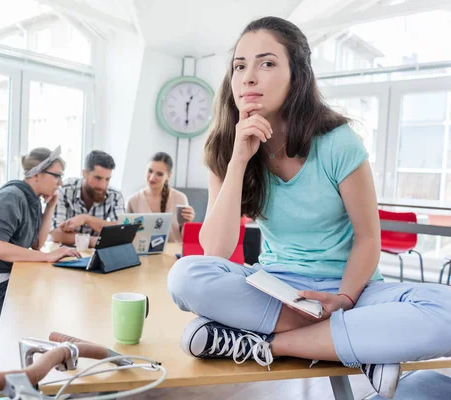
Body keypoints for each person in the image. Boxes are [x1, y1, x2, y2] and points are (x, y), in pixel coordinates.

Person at [167, 16, 451, 399]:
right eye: (239, 65)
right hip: (278, 289)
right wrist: (237, 161)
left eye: (266, 63)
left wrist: (345, 299)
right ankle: (360, 343)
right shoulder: (224, 149)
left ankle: (268, 344)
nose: (248, 77)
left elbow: (368, 238)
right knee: (184, 276)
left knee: (446, 309)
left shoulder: (337, 143)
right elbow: (215, 250)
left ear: (296, 75)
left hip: (353, 291)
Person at [0, 147, 80, 320]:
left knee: (55, 295)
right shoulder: (11, 197)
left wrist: (50, 206)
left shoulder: (30, 199)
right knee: (50, 307)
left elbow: (37, 244)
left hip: (5, 280)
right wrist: (48, 256)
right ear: (36, 174)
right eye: (57, 175)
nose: (60, 183)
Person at [51, 150, 125, 247]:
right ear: (85, 173)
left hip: (96, 255)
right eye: (98, 178)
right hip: (64, 254)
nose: (102, 186)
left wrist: (86, 219)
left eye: (107, 179)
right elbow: (55, 234)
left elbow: (121, 231)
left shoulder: (115, 196)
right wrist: (91, 240)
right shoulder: (64, 190)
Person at [126, 152, 195, 242]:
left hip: (174, 253)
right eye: (150, 171)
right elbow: (127, 237)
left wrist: (189, 222)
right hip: (142, 253)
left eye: (159, 174)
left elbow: (186, 239)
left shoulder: (180, 198)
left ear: (169, 175)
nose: (152, 178)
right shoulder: (133, 201)